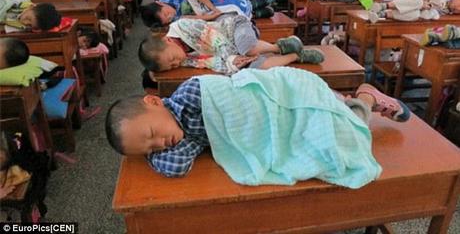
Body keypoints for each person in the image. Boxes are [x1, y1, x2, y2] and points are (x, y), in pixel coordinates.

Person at [106, 67, 411, 188]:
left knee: (342, 140)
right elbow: (176, 167)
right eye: (150, 150)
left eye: (150, 135)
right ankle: (346, 102)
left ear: (154, 101)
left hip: (279, 94)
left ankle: (366, 97)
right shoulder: (186, 137)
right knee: (322, 141)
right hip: (283, 120)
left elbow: (240, 101)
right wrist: (153, 151)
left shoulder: (190, 93)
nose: (160, 143)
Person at [138, 16, 324, 75]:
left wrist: (232, 58)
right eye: (172, 66)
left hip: (233, 26)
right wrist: (232, 66)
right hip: (232, 52)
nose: (176, 62)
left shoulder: (183, 26)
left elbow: (216, 39)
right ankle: (296, 56)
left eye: (172, 58)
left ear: (167, 40)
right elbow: (208, 63)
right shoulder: (184, 59)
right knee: (253, 69)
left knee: (247, 48)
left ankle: (278, 47)